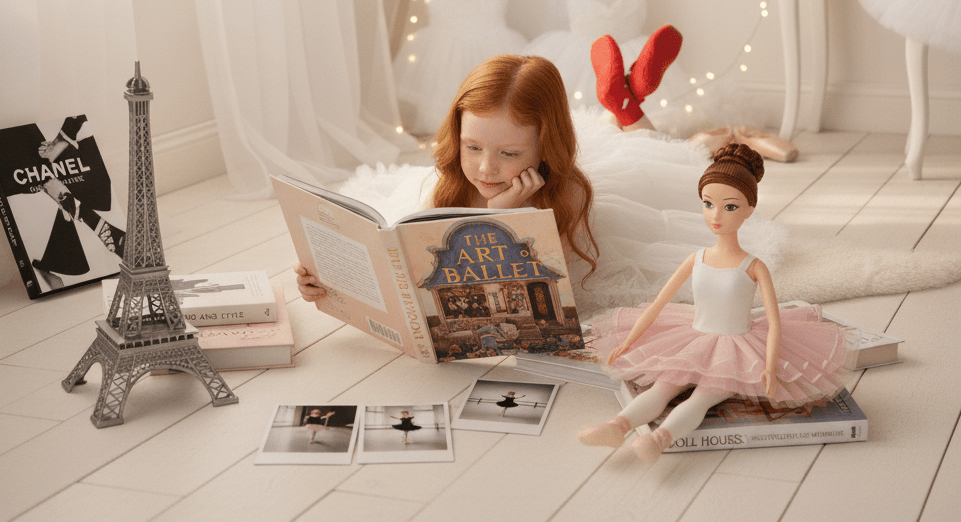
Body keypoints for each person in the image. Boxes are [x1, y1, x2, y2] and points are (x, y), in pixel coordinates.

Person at [294, 27, 742, 316]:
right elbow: (407, 266)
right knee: (611, 135)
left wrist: (504, 215)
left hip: (568, 191)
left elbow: (539, 293)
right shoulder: (448, 184)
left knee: (645, 149)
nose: (486, 167)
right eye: (472, 147)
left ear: (544, 147)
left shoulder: (568, 197)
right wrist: (331, 280)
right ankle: (621, 103)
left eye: (509, 153)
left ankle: (626, 107)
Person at [577, 143, 850, 462]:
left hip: (737, 347)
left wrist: (769, 367)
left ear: (749, 209)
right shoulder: (697, 258)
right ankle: (616, 426)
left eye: (730, 207)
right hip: (692, 337)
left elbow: (775, 322)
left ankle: (658, 441)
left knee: (702, 398)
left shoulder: (754, 266)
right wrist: (629, 341)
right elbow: (657, 305)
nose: (716, 215)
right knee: (663, 387)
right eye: (708, 204)